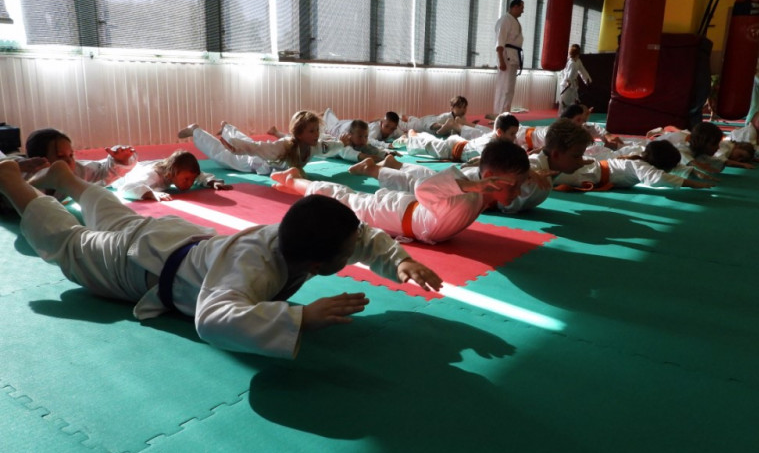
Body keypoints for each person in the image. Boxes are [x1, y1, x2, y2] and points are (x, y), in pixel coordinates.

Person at [0, 158, 442, 359]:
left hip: (176, 238)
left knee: (120, 218)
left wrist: (397, 260)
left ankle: (68, 179)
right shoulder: (254, 266)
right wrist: (301, 318)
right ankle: (10, 181)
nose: (355, 251)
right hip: (136, 265)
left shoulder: (301, 236)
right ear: (317, 265)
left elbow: (358, 235)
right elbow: (212, 320)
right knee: (69, 244)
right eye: (347, 255)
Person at [271, 139, 531, 244]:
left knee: (346, 196)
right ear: (490, 178)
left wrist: (534, 171)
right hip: (393, 214)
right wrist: (471, 186)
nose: (519, 192)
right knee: (340, 200)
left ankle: (293, 182)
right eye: (515, 185)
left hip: (407, 213)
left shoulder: (478, 190)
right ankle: (293, 180)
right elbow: (423, 188)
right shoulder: (467, 196)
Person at [186, 112, 347, 177]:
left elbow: (329, 148)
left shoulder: (314, 146)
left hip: (260, 156)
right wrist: (236, 148)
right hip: (252, 161)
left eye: (317, 130)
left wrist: (342, 143)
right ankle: (196, 130)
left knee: (247, 141)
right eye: (311, 131)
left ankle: (226, 127)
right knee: (220, 155)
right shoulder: (284, 146)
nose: (316, 134)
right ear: (299, 134)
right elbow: (258, 148)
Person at [553, 140, 715, 190]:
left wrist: (693, 171)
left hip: (592, 169)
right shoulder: (641, 166)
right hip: (589, 172)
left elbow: (671, 166)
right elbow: (658, 178)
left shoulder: (643, 157)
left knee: (553, 168)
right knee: (551, 173)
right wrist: (693, 184)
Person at [25, 127, 137, 184]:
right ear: (37, 160)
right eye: (60, 156)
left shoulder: (77, 172)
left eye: (71, 155)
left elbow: (101, 173)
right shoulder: (24, 181)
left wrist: (119, 161)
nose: (69, 161)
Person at [112, 150, 232, 201]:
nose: (190, 184)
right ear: (170, 174)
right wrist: (151, 193)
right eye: (186, 179)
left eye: (192, 180)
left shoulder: (174, 170)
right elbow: (125, 189)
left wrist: (211, 181)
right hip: (112, 174)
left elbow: (199, 175)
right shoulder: (152, 176)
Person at [405, 113, 522, 163]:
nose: (514, 137)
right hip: (452, 148)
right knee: (428, 144)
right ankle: (411, 136)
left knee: (433, 142)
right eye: (512, 134)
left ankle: (417, 135)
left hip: (461, 143)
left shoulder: (500, 141)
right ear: (500, 132)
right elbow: (484, 160)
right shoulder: (490, 145)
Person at [494, 0, 525, 115]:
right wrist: (501, 60)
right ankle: (499, 115)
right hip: (506, 57)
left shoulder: (514, 20)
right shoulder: (505, 20)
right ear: (515, 7)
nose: (523, 11)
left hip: (513, 57)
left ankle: (506, 114)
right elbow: (500, 42)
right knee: (504, 88)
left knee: (510, 89)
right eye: (521, 8)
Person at [398, 95, 481, 138]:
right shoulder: (445, 117)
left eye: (465, 107)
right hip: (424, 124)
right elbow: (433, 125)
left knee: (415, 120)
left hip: (425, 120)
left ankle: (408, 117)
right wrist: (443, 126)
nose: (463, 110)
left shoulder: (462, 118)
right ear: (452, 108)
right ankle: (397, 118)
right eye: (459, 107)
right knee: (406, 126)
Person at [323, 108, 403, 144]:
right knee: (329, 126)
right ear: (381, 123)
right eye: (386, 126)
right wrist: (386, 145)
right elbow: (370, 140)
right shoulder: (375, 128)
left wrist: (403, 139)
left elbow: (404, 135)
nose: (389, 130)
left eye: (392, 129)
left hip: (360, 124)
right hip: (347, 127)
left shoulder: (394, 130)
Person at [558, 44, 592, 115]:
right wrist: (569, 82)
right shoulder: (570, 62)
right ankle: (563, 118)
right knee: (565, 103)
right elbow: (566, 75)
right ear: (577, 54)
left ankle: (570, 118)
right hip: (567, 85)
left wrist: (587, 80)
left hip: (572, 85)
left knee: (572, 103)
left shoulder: (577, 61)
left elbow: (582, 70)